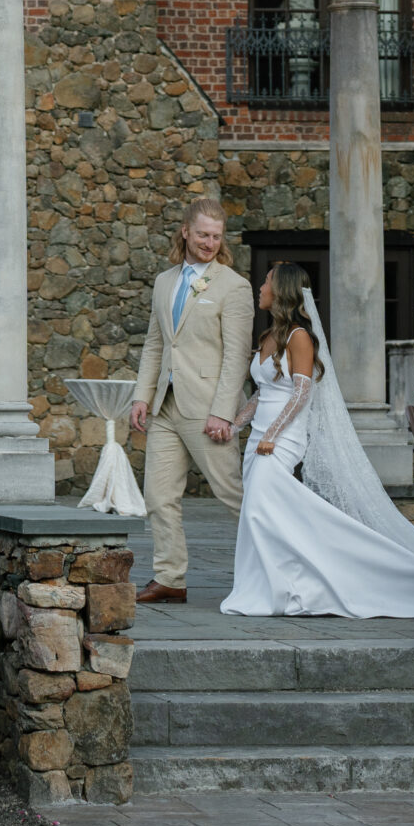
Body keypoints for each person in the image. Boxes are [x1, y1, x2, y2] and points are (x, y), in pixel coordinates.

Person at [222, 261, 414, 619]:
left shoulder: (299, 337)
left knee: (259, 511)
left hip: (282, 440)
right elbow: (263, 394)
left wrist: (271, 435)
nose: (261, 286)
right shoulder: (268, 336)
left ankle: (285, 587)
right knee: (265, 515)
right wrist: (235, 424)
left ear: (281, 289)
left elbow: (301, 393)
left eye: (267, 280)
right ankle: (275, 585)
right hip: (259, 440)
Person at [129, 193, 254, 605]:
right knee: (159, 497)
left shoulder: (234, 287)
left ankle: (274, 569)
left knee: (232, 494)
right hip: (165, 405)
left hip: (207, 409)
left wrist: (223, 412)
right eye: (202, 234)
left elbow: (237, 354)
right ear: (185, 232)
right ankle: (170, 579)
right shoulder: (165, 281)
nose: (209, 243)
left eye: (216, 236)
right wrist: (141, 396)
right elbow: (155, 343)